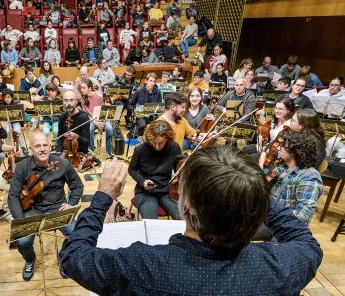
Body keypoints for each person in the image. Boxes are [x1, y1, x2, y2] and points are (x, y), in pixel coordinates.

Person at [59, 147, 323, 295]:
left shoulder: (143, 265)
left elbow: (73, 256)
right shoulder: (282, 266)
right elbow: (304, 239)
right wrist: (253, 191)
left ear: (184, 207)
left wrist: (103, 197)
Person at [7, 132, 84, 281]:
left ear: (50, 146)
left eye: (45, 145)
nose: (42, 149)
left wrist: (71, 204)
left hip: (57, 208)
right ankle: (30, 260)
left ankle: (64, 257)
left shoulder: (62, 163)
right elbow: (13, 195)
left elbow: (77, 186)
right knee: (22, 242)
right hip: (32, 210)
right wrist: (20, 220)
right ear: (31, 149)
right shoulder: (23, 167)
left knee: (76, 233)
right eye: (37, 146)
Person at [129, 120, 181, 219]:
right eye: (154, 142)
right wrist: (142, 181)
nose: (157, 146)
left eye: (161, 143)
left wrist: (178, 177)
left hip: (167, 190)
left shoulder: (174, 147)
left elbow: (179, 168)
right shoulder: (140, 150)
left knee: (182, 219)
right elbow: (132, 170)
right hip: (145, 192)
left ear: (167, 139)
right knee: (151, 222)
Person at [267, 132, 323, 225]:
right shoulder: (282, 166)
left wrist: (273, 217)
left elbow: (303, 215)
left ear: (294, 152)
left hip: (282, 226)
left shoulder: (309, 177)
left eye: (283, 147)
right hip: (269, 213)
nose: (278, 148)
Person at [258, 108, 326, 169]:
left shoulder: (316, 145)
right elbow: (267, 148)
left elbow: (306, 170)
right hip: (271, 166)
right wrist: (260, 168)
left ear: (301, 126)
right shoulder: (287, 131)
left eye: (292, 120)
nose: (288, 122)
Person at [56, 90, 92, 166]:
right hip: (66, 152)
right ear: (63, 102)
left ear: (76, 102)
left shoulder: (83, 117)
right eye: (66, 100)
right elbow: (59, 137)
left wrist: (77, 137)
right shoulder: (63, 116)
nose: (69, 103)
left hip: (79, 152)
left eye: (71, 100)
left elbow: (87, 143)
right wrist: (58, 151)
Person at [80, 79, 113, 158]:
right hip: (92, 119)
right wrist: (95, 122)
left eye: (84, 88)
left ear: (90, 88)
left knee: (109, 130)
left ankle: (109, 151)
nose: (81, 90)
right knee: (89, 129)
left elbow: (102, 111)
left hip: (102, 118)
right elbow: (86, 114)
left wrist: (100, 122)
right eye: (81, 88)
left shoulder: (99, 97)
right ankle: (91, 149)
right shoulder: (83, 100)